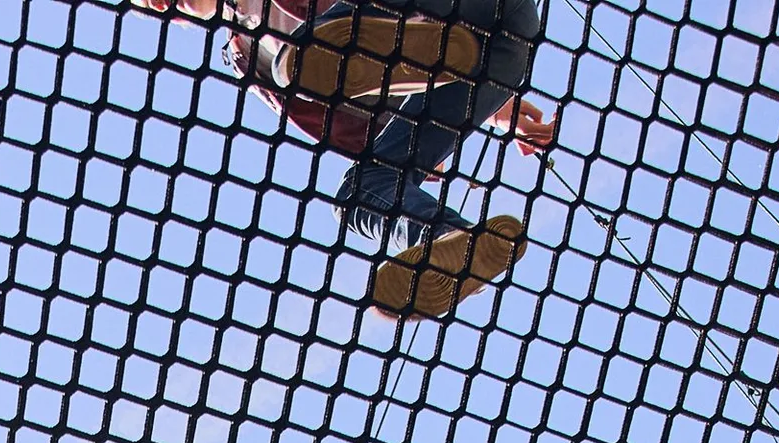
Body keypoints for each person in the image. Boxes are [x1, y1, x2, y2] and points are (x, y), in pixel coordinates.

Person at [137, 0, 559, 320]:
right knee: (360, 190)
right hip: (495, 52)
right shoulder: (250, 58)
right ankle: (447, 240)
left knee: (298, 64)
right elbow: (351, 121)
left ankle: (399, 53)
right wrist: (492, 109)